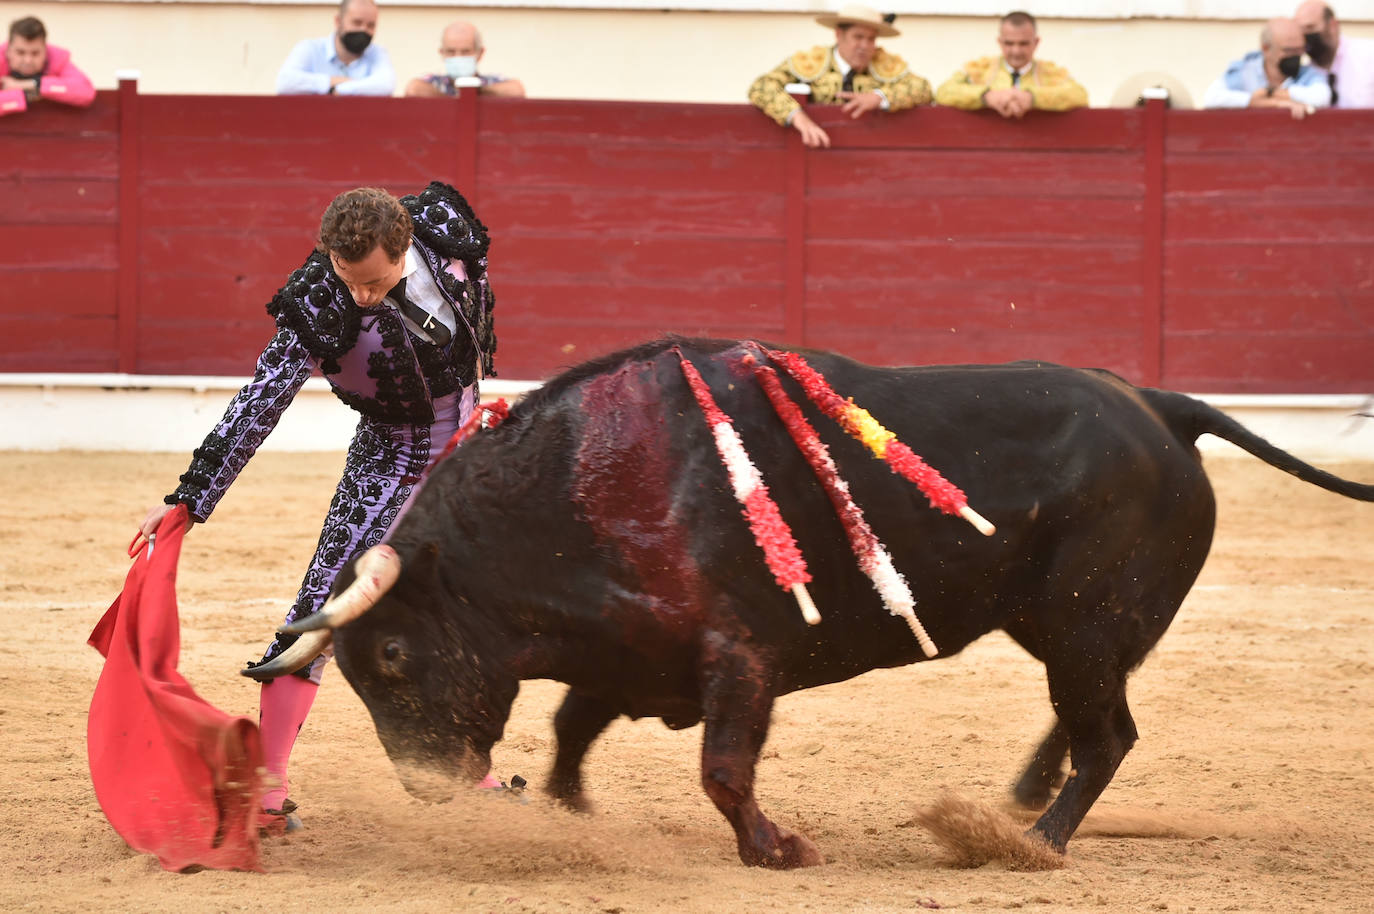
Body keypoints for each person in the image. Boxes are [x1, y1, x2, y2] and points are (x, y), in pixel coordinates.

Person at [136, 182, 498, 831]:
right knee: (323, 606)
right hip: (392, 459)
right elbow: (260, 401)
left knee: (477, 614)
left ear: (405, 246)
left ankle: (474, 767)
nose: (360, 295)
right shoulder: (316, 301)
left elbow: (476, 320)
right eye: (347, 276)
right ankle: (269, 788)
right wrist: (191, 498)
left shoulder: (446, 232)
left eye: (376, 281)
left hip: (475, 449)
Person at [747, 4, 932, 149]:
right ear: (838, 35)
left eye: (871, 39)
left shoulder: (885, 63)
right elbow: (761, 86)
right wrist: (797, 116)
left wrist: (880, 97)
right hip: (819, 153)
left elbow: (923, 89)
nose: (864, 46)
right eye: (858, 37)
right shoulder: (811, 61)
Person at [935, 11, 1087, 117]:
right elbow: (943, 92)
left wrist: (1032, 97)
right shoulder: (979, 70)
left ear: (1036, 43)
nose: (1016, 51)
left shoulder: (1052, 73)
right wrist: (986, 96)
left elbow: (1079, 95)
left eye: (1023, 43)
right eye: (1009, 43)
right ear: (1000, 42)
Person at [1202, 17, 1332, 118]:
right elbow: (1212, 98)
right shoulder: (1245, 71)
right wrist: (1276, 103)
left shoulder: (1307, 74)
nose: (1296, 56)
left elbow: (1322, 98)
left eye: (1300, 49)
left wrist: (1270, 94)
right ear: (1266, 48)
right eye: (1288, 50)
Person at [276, 0, 395, 96]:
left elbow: (386, 85)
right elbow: (285, 83)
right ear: (338, 21)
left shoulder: (377, 53)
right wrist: (332, 82)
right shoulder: (310, 49)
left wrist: (339, 89)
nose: (363, 30)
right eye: (357, 23)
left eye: (371, 25)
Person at [1, 16, 94, 117]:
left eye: (35, 53)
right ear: (8, 50)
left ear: (46, 51)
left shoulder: (57, 59)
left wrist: (33, 84)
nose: (28, 60)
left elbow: (85, 92)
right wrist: (26, 95)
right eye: (20, 52)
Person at [404, 21, 525, 98]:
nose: (458, 57)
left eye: (465, 52)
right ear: (442, 53)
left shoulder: (492, 82)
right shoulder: (434, 82)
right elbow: (413, 89)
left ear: (480, 53)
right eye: (451, 52)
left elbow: (516, 91)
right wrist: (456, 101)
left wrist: (474, 91)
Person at [1295, 1, 1374, 109]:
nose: (1305, 36)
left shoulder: (1368, 54)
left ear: (1332, 25)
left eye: (1310, 27)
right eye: (1300, 30)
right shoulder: (1303, 75)